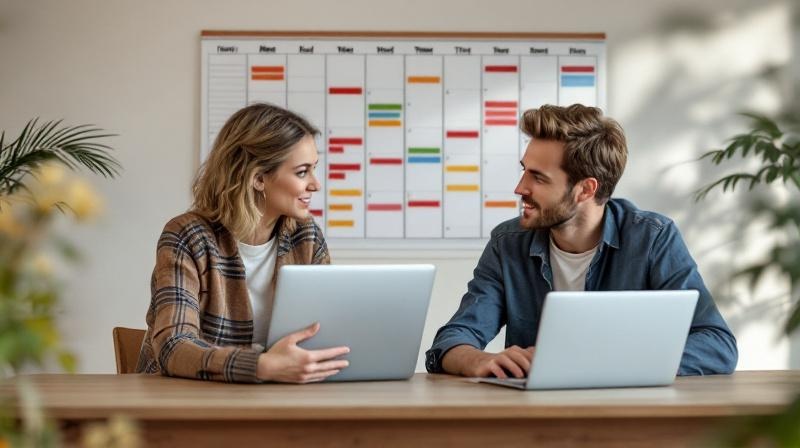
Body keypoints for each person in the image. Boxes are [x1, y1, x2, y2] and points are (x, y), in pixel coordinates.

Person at [426, 104, 738, 379]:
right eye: (524, 171)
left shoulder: (652, 238)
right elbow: (454, 337)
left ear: (586, 189)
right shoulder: (508, 243)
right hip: (534, 418)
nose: (520, 188)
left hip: (626, 417)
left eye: (539, 177)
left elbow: (716, 344)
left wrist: (601, 363)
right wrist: (478, 359)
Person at [137, 103, 349, 383]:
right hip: (187, 400)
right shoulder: (187, 236)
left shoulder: (305, 235)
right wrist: (260, 366)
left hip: (277, 398)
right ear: (258, 178)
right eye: (302, 172)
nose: (315, 184)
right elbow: (174, 346)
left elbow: (324, 331)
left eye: (314, 169)